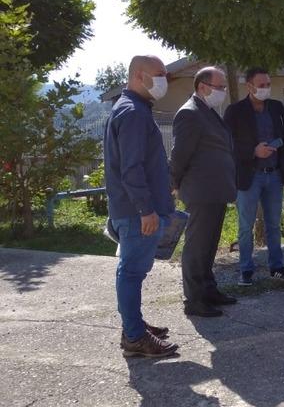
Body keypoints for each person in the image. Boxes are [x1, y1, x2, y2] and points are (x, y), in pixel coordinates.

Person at [104, 55, 178, 358]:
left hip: (135, 209)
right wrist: (145, 209)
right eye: (159, 74)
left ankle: (135, 326)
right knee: (131, 273)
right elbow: (131, 169)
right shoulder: (133, 112)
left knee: (133, 272)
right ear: (138, 75)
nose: (164, 80)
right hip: (137, 213)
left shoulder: (132, 109)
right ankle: (134, 337)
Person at [171, 66, 238, 318]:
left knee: (209, 245)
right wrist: (173, 182)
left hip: (215, 190)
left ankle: (209, 290)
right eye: (219, 87)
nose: (222, 92)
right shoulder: (189, 114)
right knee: (197, 246)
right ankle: (194, 299)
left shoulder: (207, 111)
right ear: (202, 87)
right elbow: (179, 155)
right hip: (200, 191)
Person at [224, 67, 284, 286]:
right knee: (246, 227)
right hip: (249, 176)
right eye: (261, 85)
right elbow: (228, 144)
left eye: (268, 84)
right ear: (250, 86)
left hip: (274, 175)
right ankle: (246, 270)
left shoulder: (276, 107)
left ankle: (277, 267)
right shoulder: (234, 111)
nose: (266, 88)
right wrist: (252, 152)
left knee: (274, 224)